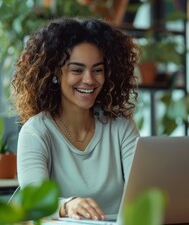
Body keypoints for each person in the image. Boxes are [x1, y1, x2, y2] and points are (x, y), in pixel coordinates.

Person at [12, 17, 140, 221]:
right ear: (56, 73)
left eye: (97, 70)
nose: (89, 80)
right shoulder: (36, 131)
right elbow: (34, 200)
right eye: (77, 70)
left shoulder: (121, 128)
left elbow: (143, 192)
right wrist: (67, 205)